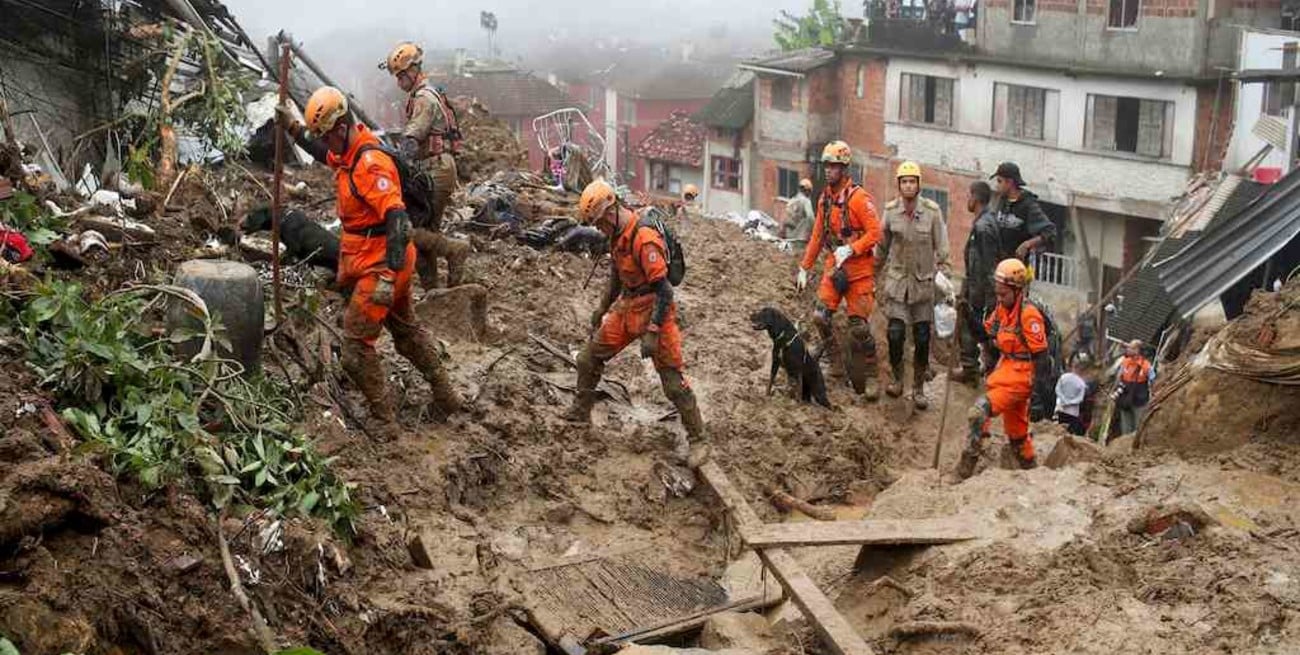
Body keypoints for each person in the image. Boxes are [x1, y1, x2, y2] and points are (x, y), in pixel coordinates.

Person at [280, 86, 462, 435]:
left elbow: (397, 219)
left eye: (326, 135)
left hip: (383, 264)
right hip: (377, 259)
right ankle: (447, 395)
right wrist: (293, 129)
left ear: (341, 127)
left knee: (354, 349)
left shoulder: (369, 163)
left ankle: (385, 422)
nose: (325, 143)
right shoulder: (347, 149)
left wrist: (387, 278)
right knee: (406, 331)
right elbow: (323, 153)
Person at [564, 180, 709, 466]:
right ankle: (581, 412)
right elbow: (617, 276)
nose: (599, 230)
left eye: (599, 224)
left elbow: (665, 290)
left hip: (656, 308)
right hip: (628, 306)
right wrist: (602, 308)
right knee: (588, 358)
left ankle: (699, 439)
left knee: (673, 382)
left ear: (609, 213)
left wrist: (653, 331)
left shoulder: (644, 238)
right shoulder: (617, 235)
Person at [797, 141, 884, 401]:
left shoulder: (859, 199)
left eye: (834, 166)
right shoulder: (824, 199)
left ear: (845, 169)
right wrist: (804, 267)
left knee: (858, 327)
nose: (828, 171)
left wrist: (853, 248)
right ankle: (835, 363)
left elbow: (875, 232)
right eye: (827, 166)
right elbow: (816, 236)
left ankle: (871, 374)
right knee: (820, 317)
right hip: (835, 267)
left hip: (859, 270)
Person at [385, 42, 472, 289]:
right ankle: (433, 292)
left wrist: (396, 162)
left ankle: (455, 250)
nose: (399, 81)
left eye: (402, 75)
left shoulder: (423, 98)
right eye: (397, 76)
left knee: (413, 230)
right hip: (436, 168)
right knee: (425, 234)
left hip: (435, 169)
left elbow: (412, 139)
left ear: (414, 70)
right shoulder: (426, 94)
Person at [956, 259, 1050, 479]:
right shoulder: (1001, 309)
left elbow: (1042, 357)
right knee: (1017, 435)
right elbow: (985, 335)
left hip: (1023, 375)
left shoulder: (1029, 315)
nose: (999, 299)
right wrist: (969, 315)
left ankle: (964, 470)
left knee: (978, 412)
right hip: (1007, 369)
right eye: (997, 294)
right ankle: (1032, 472)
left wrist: (1037, 396)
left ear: (1018, 290)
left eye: (1003, 295)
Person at [878, 161, 951, 409]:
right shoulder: (890, 212)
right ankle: (898, 378)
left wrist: (945, 273)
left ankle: (918, 387)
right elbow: (881, 247)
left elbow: (942, 247)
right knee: (895, 334)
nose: (908, 186)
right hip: (898, 284)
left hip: (923, 286)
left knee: (921, 338)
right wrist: (871, 274)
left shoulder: (932, 212)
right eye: (904, 181)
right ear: (899, 185)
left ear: (919, 185)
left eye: (912, 181)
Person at [954, 181, 998, 384]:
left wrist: (982, 295)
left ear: (976, 198)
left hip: (979, 291)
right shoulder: (982, 222)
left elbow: (987, 265)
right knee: (974, 328)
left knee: (971, 327)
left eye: (969, 196)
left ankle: (971, 369)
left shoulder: (984, 227)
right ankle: (975, 368)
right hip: (975, 287)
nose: (967, 200)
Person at [989, 162, 1056, 262]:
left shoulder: (1028, 205)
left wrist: (1027, 244)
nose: (997, 186)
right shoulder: (1002, 201)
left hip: (1017, 267)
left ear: (1009, 182)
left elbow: (1050, 232)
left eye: (999, 181)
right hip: (998, 264)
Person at [1114, 339, 1154, 436]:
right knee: (1125, 427)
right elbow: (1119, 378)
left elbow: (1153, 380)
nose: (1127, 349)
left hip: (1139, 400)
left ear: (1137, 350)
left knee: (1138, 428)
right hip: (1125, 399)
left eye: (1131, 347)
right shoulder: (1125, 362)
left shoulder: (1146, 365)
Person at [1054, 357, 1089, 436]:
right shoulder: (1081, 383)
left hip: (1062, 408)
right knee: (1071, 432)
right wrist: (1070, 402)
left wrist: (1064, 400)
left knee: (1061, 429)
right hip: (1073, 411)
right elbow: (1080, 398)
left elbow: (1057, 390)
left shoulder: (1063, 377)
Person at [782, 178, 815, 254]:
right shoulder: (805, 201)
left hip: (789, 238)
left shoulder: (792, 201)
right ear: (808, 191)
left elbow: (785, 219)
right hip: (800, 238)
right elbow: (810, 217)